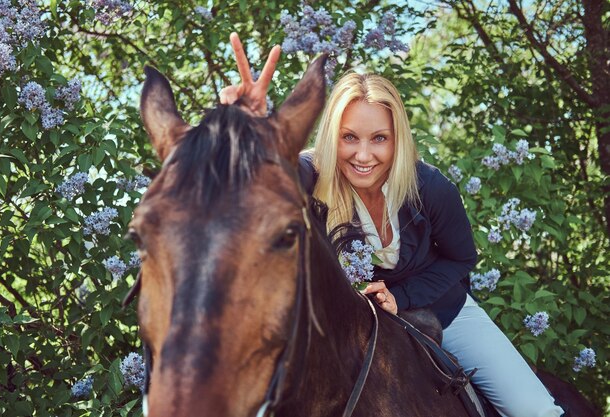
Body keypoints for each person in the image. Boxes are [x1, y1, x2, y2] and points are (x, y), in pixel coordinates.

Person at [220, 32, 565, 417]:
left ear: (397, 139)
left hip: (442, 310)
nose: (363, 155)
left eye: (379, 138)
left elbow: (461, 259)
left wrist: (402, 296)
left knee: (537, 411)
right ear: (332, 138)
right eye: (349, 137)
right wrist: (249, 130)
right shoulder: (310, 175)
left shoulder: (430, 188)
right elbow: (264, 180)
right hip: (351, 327)